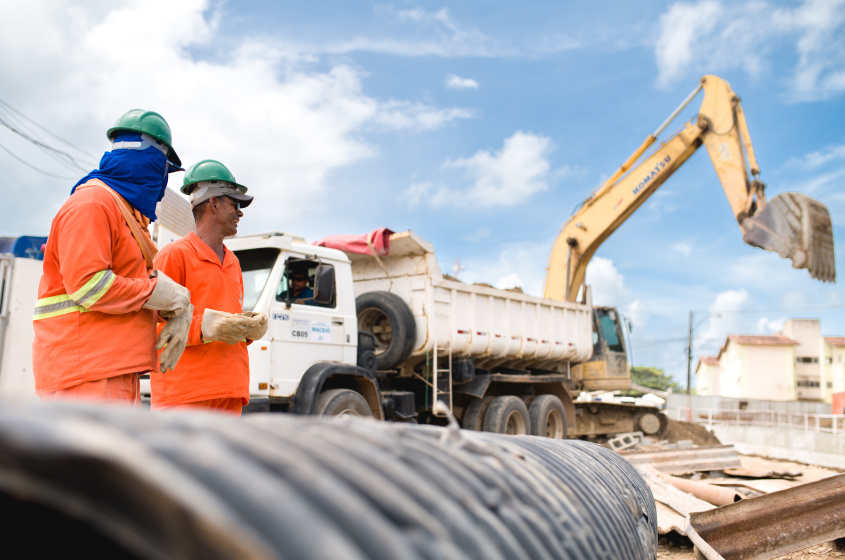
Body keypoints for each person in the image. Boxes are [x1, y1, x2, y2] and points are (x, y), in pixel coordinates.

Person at [33, 109, 192, 404]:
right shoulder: (92, 204)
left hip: (113, 367)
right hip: (84, 372)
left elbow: (128, 292)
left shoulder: (123, 212)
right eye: (163, 171)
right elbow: (89, 287)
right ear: (153, 162)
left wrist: (180, 310)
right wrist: (153, 292)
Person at [150, 159, 267, 415]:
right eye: (235, 203)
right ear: (214, 203)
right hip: (186, 396)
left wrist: (246, 329)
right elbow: (150, 327)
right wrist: (207, 327)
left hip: (230, 391)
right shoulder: (174, 256)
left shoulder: (233, 262)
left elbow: (225, 324)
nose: (240, 212)